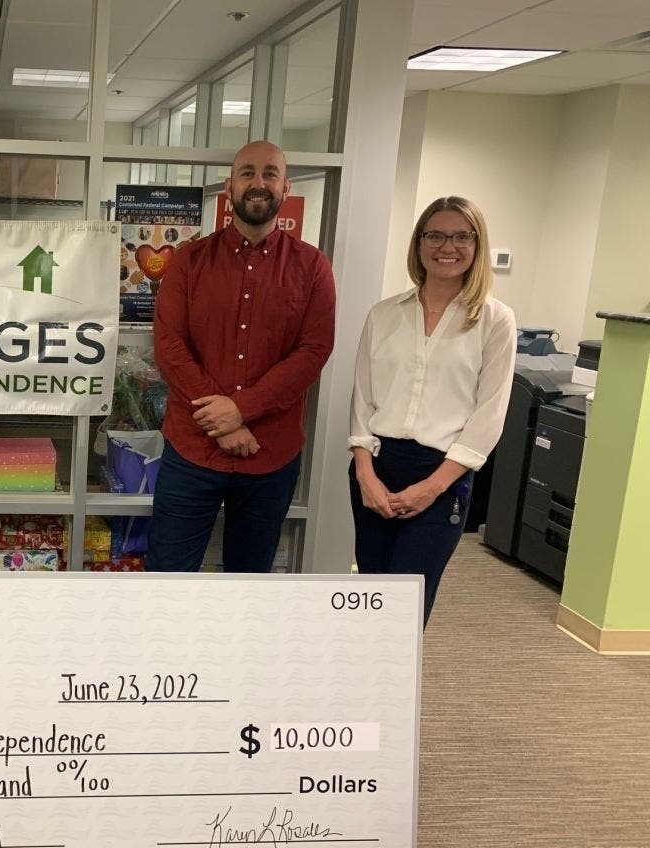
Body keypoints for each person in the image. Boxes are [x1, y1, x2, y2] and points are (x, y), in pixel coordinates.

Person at [147, 141, 336, 572]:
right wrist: (223, 421)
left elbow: (313, 351)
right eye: (247, 173)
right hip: (192, 449)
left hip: (271, 454)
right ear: (229, 186)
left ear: (285, 187)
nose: (258, 183)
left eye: (270, 173)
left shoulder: (312, 267)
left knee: (249, 589)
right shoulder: (188, 262)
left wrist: (241, 409)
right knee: (164, 580)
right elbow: (170, 346)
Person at [348, 196, 516, 628]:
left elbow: (489, 414)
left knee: (406, 605)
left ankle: (393, 696)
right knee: (371, 593)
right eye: (436, 235)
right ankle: (360, 695)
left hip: (442, 473)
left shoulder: (495, 321)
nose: (448, 246)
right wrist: (365, 474)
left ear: (477, 246)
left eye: (462, 236)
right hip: (378, 467)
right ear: (419, 243)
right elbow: (363, 399)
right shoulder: (384, 315)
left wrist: (433, 487)